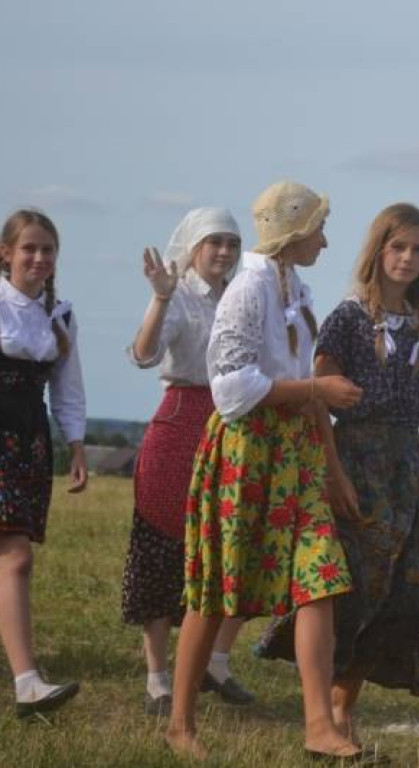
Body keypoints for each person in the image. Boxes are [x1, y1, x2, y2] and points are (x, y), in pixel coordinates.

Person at [256, 202, 419, 749]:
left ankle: (344, 707)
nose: (407, 258)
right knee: (350, 588)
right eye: (398, 247)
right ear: (379, 250)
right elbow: (316, 399)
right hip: (355, 459)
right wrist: (333, 473)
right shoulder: (348, 318)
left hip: (405, 471)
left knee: (393, 596)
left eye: (418, 250)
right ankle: (322, 711)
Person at [165, 181, 362, 761]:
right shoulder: (249, 288)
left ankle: (318, 725)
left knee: (320, 579)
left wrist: (330, 465)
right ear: (295, 233)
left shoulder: (292, 286)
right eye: (319, 229)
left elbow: (304, 391)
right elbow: (229, 389)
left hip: (294, 452)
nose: (325, 241)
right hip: (246, 452)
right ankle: (179, 722)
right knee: (216, 591)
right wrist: (315, 388)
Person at [122, 208, 255, 717]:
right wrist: (159, 297)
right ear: (195, 246)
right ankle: (158, 677)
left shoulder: (242, 298)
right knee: (162, 545)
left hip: (230, 423)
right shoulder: (177, 293)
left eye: (232, 243)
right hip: (180, 421)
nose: (224, 252)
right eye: (214, 242)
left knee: (234, 548)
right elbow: (143, 353)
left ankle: (215, 662)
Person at [0, 209, 87, 717]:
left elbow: (67, 390)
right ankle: (28, 682)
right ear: (6, 253)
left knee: (13, 554)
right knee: (15, 557)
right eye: (29, 248)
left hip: (29, 441)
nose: (39, 258)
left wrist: (76, 446)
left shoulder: (62, 316)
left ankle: (26, 677)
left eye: (47, 249)